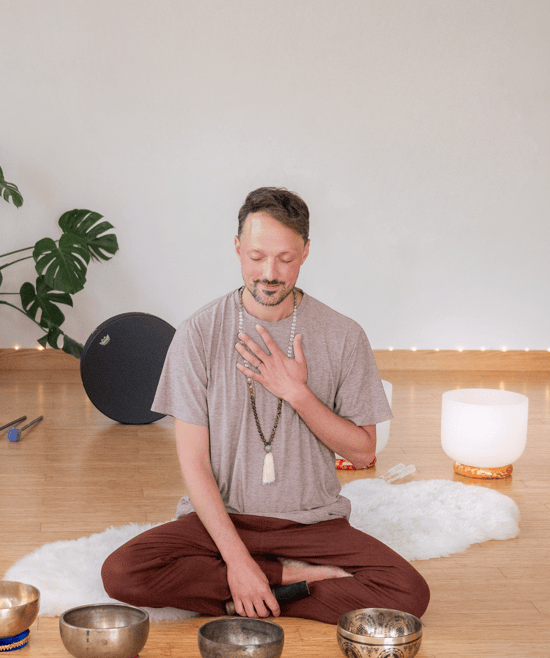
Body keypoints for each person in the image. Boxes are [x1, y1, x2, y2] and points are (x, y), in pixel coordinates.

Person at [101, 187, 430, 624]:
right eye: (256, 257)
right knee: (123, 572)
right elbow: (194, 463)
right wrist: (237, 562)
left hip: (313, 525)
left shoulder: (343, 335)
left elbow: (363, 452)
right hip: (223, 522)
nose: (270, 273)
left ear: (307, 252)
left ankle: (250, 595)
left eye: (285, 258)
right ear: (237, 247)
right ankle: (286, 580)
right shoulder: (197, 334)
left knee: (408, 593)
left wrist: (297, 393)